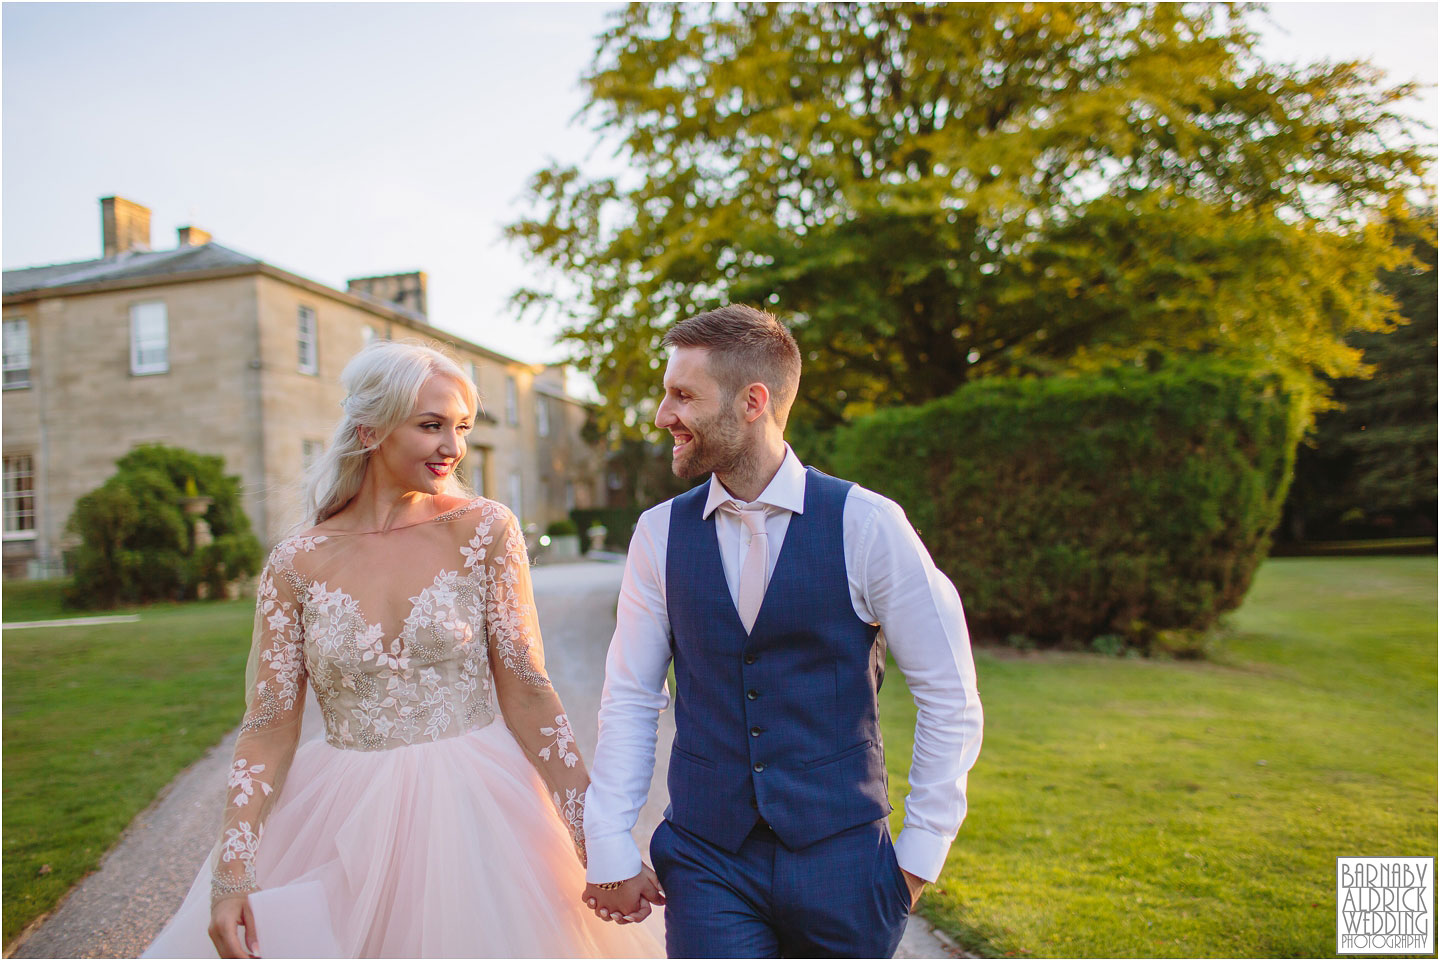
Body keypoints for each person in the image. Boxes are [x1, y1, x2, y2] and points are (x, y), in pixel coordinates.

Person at [145, 340, 660, 958]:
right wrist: (232, 874)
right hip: (340, 811)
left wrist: (597, 845)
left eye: (461, 427)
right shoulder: (295, 563)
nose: (454, 447)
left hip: (478, 816)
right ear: (370, 428)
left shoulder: (485, 530)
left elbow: (527, 691)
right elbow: (268, 727)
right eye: (431, 425)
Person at [579, 305, 984, 958]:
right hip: (710, 862)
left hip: (846, 866)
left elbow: (950, 694)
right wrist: (609, 841)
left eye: (682, 394)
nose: (663, 415)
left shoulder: (867, 524)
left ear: (752, 401)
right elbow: (630, 695)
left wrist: (916, 859)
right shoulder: (658, 534)